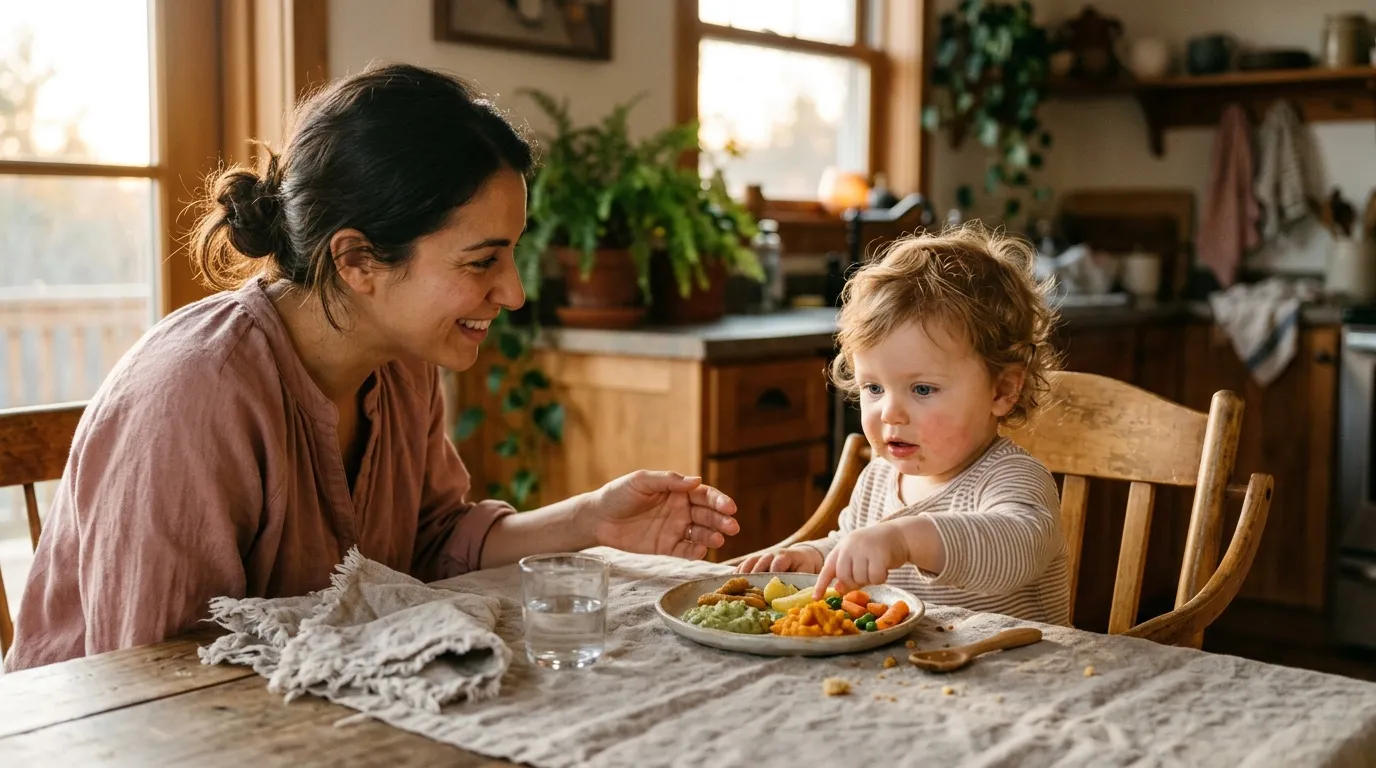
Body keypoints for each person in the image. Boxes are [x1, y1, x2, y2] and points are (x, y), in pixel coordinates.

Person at [5, 63, 739, 671]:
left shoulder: (402, 361)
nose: (513, 293)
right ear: (357, 260)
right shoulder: (193, 398)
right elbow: (151, 674)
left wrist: (590, 520)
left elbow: (432, 546)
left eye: (512, 253)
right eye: (483, 260)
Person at [735, 223, 1070, 625]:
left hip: (1025, 674)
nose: (890, 413)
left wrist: (906, 539)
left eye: (923, 389)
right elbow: (854, 546)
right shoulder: (878, 477)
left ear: (1002, 391)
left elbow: (1015, 551)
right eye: (874, 387)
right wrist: (815, 556)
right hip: (911, 674)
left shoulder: (1013, 479)